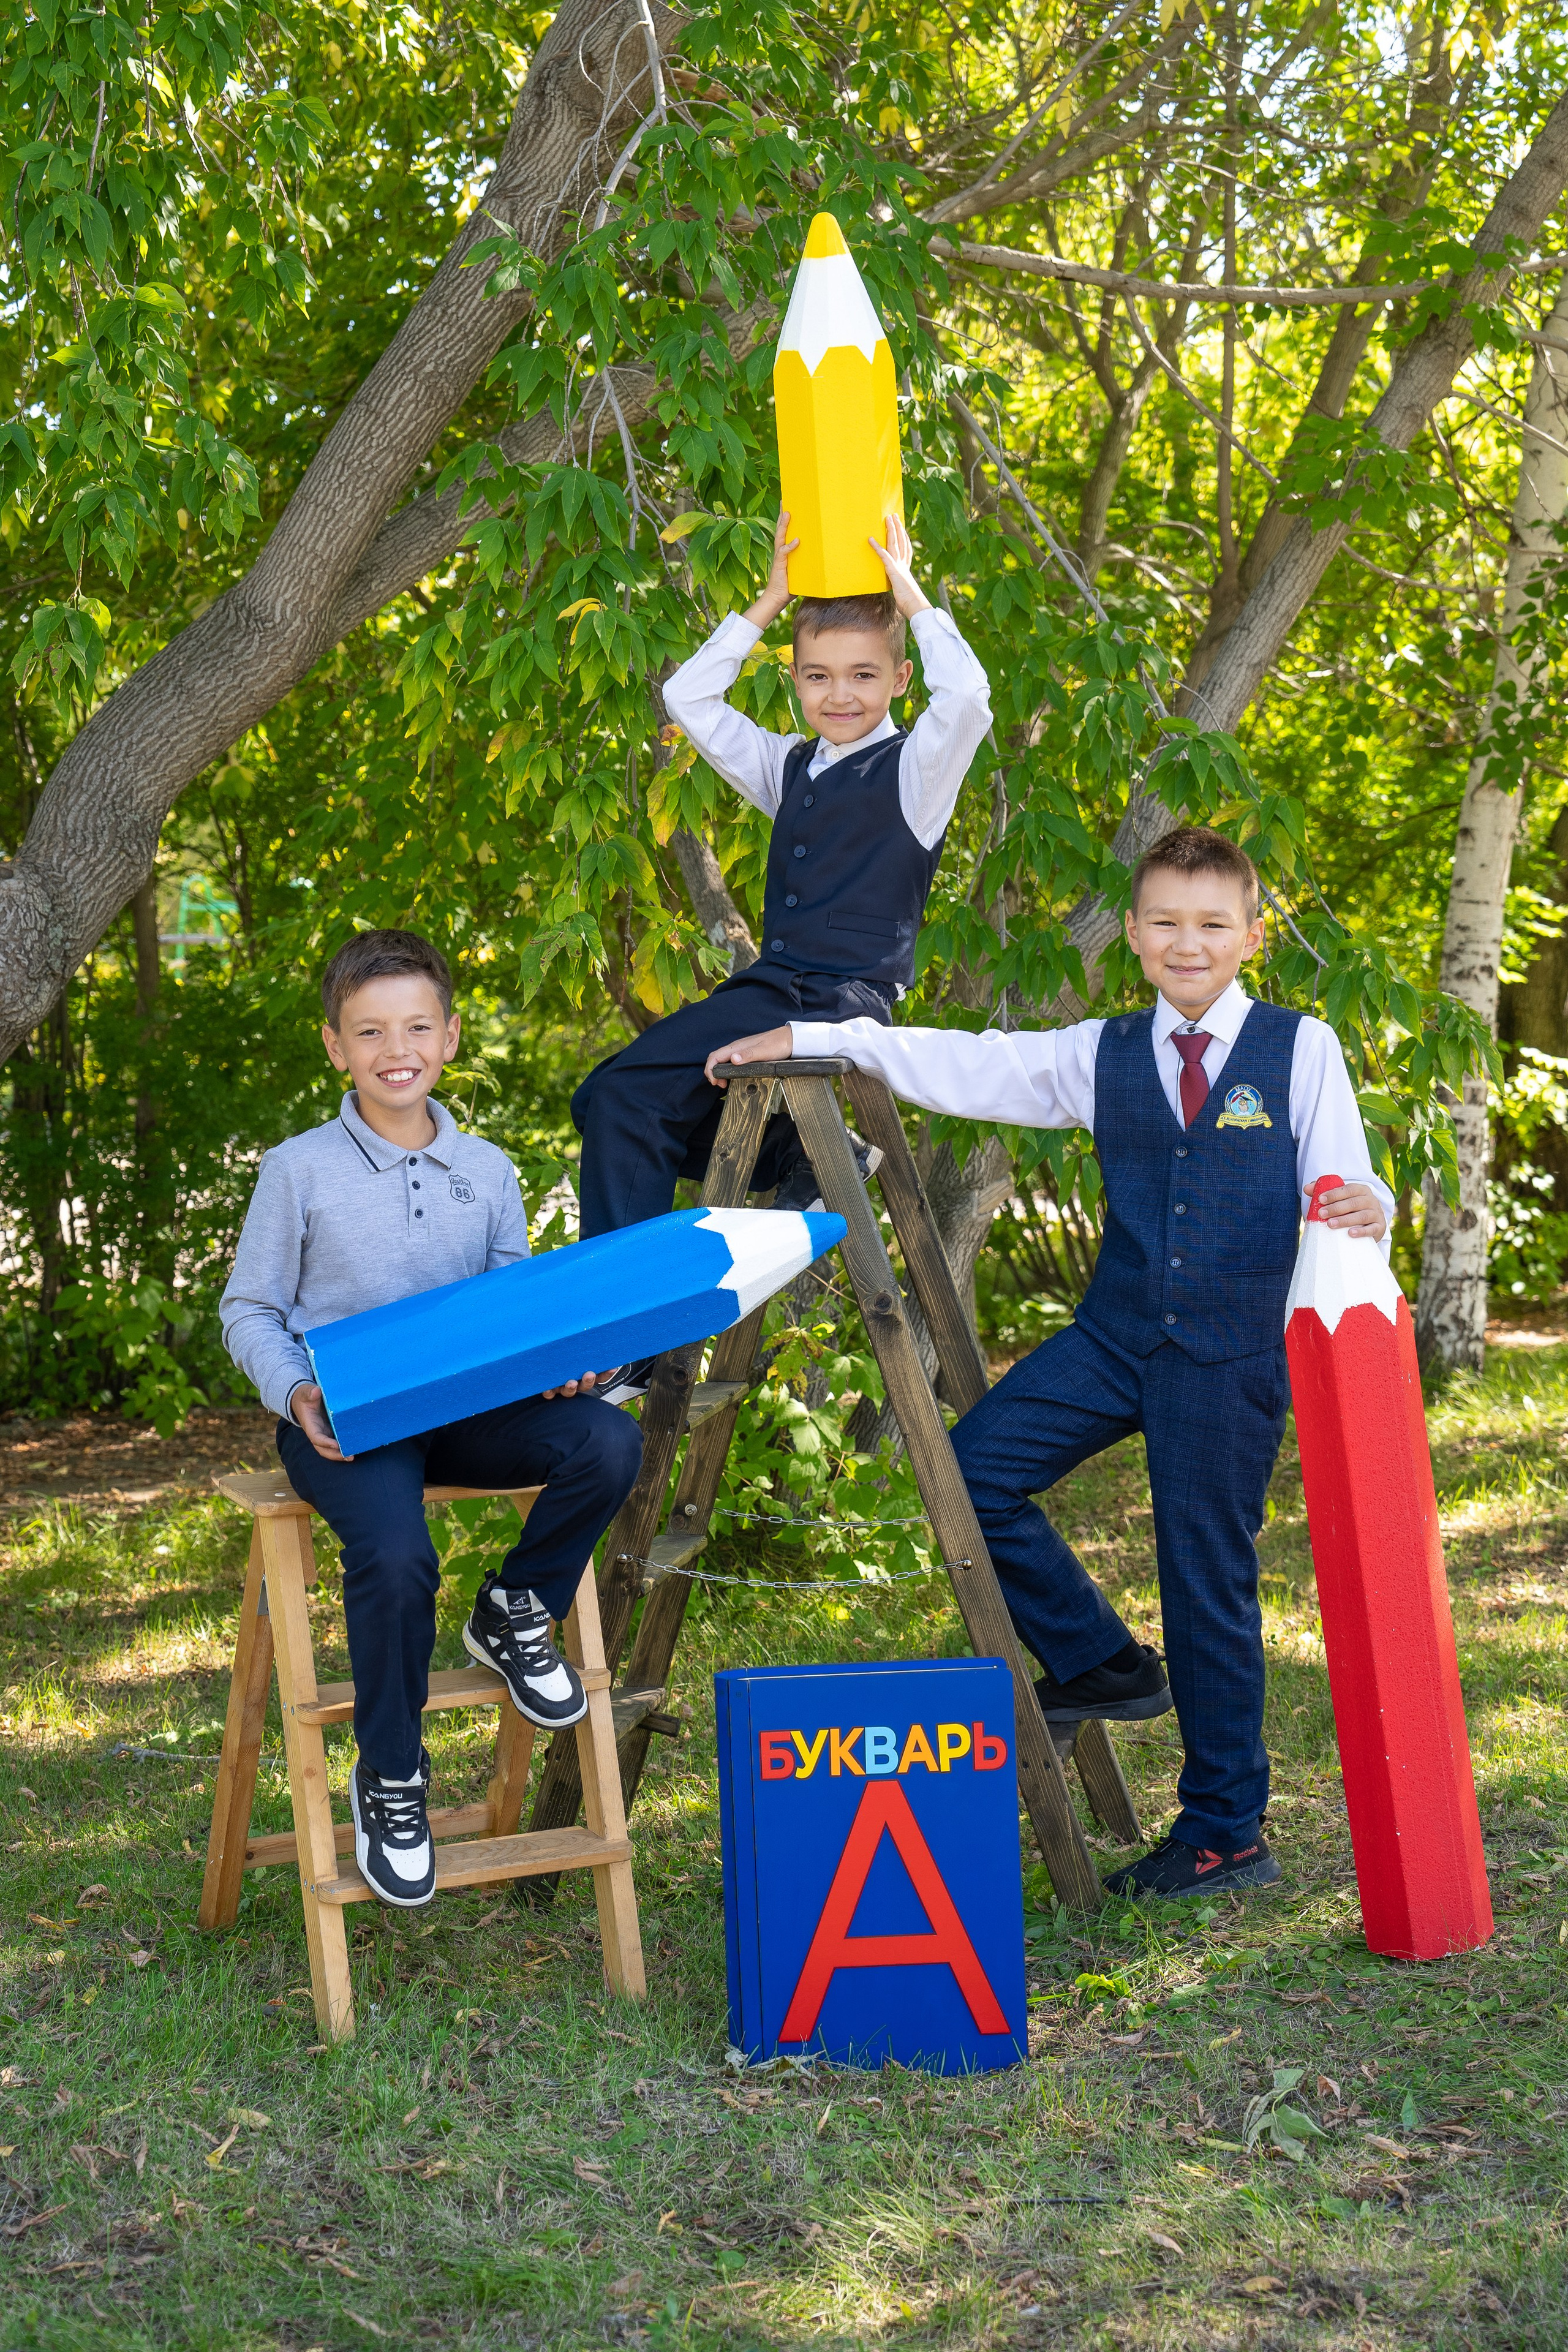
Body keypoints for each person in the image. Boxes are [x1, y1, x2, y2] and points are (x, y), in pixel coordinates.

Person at [703, 826, 1394, 1901]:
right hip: (1116, 1336)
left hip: (1228, 1354)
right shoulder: (1103, 1052)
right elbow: (970, 1064)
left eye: (1212, 923)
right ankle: (1101, 1662)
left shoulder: (1300, 1050)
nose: (1188, 942)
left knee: (1205, 1580)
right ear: (1133, 932)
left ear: (1253, 935)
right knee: (971, 1474)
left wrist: (1377, 1207)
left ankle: (1225, 1834)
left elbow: (1343, 1186)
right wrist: (814, 1030)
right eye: (1165, 921)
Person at [221, 929, 641, 1909]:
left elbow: (512, 1318)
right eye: (369, 1031)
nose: (393, 1048)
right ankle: (391, 1777)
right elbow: (249, 1309)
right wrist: (296, 1391)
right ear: (336, 1047)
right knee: (401, 1556)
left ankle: (516, 1606)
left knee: (608, 1441)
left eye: (415, 1026)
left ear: (449, 1037)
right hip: (343, 1418)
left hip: (462, 1414)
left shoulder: (489, 1171)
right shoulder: (298, 1169)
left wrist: (569, 1366)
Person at [570, 508, 992, 1265]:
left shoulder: (916, 773)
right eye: (819, 676)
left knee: (621, 1103)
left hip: (843, 998)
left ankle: (619, 1329)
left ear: (899, 678)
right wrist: (768, 601)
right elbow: (689, 700)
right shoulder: (791, 768)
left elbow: (964, 700)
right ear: (794, 678)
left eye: (864, 675)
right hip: (769, 988)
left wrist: (912, 602)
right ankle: (803, 1159)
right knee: (605, 1101)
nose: (840, 695)